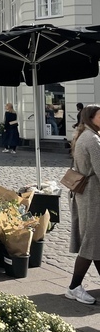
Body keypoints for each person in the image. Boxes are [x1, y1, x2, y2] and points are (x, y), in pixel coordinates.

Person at [66, 104, 100, 305]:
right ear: (91, 118)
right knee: (91, 241)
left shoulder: (83, 135)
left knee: (96, 241)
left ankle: (74, 287)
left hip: (86, 194)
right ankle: (73, 287)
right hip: (93, 196)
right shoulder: (93, 139)